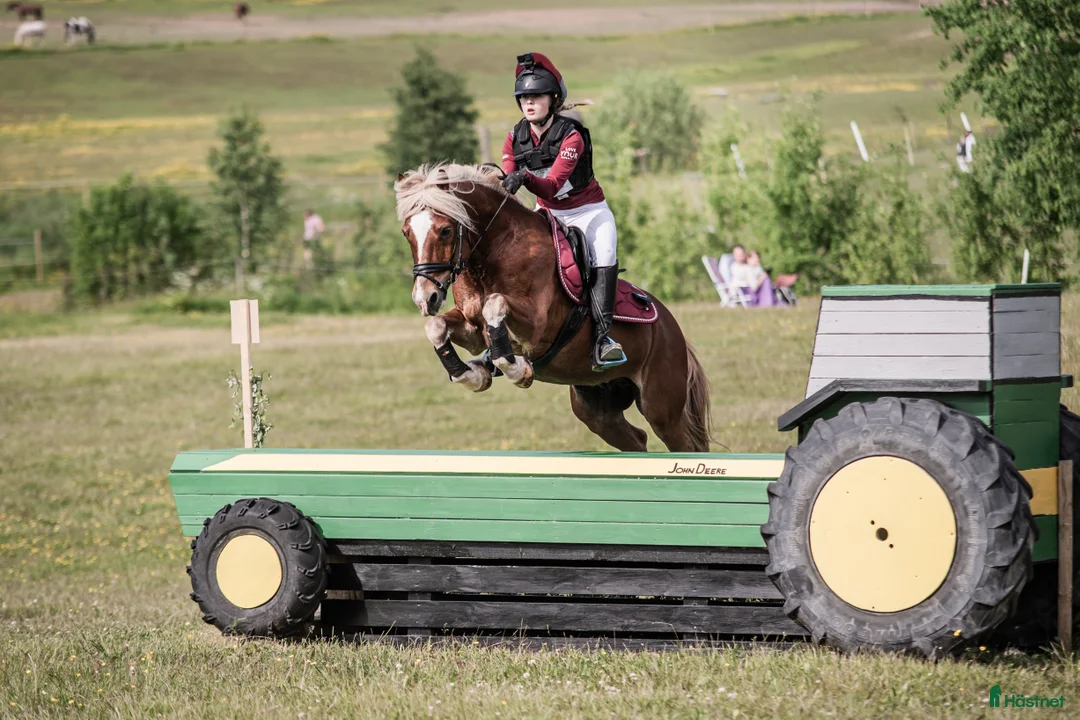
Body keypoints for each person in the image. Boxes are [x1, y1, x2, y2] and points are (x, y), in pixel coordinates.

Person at [499, 51, 625, 371]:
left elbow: (553, 184)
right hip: (546, 214)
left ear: (553, 100)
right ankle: (498, 340)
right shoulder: (515, 137)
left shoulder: (571, 135)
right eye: (524, 97)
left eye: (537, 96)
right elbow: (505, 180)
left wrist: (523, 177)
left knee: (605, 253)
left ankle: (603, 339)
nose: (529, 102)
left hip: (588, 213)